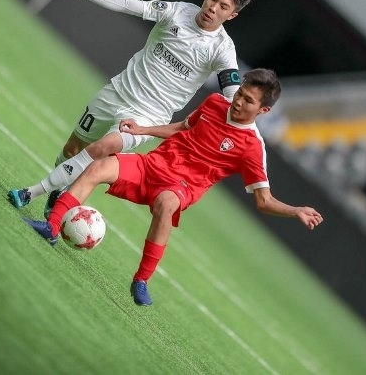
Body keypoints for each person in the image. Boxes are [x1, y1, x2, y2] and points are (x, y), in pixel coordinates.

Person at [22, 68, 324, 306]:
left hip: (182, 186)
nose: (238, 101)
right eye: (240, 93)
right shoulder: (215, 102)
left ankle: (141, 280)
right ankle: (51, 227)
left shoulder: (252, 147)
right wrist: (143, 129)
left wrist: (295, 210)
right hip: (152, 165)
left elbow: (263, 200)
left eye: (248, 100)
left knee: (166, 205)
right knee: (98, 167)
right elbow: (182, 127)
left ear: (263, 110)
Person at [8, 0, 255, 219]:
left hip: (147, 116)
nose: (213, 7)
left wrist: (240, 126)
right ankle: (59, 189)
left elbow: (233, 95)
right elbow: (128, 4)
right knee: (72, 150)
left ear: (232, 15)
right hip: (117, 92)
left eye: (223, 7)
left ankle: (30, 193)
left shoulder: (222, 49)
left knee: (103, 147)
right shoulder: (177, 11)